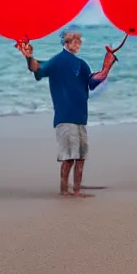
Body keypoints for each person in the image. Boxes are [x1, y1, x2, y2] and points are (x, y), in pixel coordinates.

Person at [19, 31, 116, 198]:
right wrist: (29, 57)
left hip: (80, 117)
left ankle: (77, 189)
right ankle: (65, 190)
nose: (77, 45)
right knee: (69, 156)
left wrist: (108, 64)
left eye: (79, 42)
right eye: (74, 41)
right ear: (66, 43)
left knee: (81, 156)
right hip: (65, 117)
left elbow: (93, 81)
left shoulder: (82, 64)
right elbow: (37, 68)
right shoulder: (57, 61)